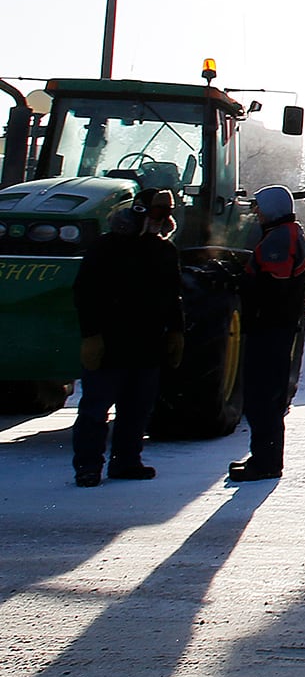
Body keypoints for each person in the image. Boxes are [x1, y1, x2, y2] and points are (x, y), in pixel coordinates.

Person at [71, 202, 185, 486]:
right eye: (156, 218)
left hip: (147, 343)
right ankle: (88, 466)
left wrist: (176, 331)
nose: (160, 225)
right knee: (96, 408)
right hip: (110, 343)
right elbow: (85, 293)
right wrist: (91, 335)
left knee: (136, 409)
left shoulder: (164, 251)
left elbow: (173, 295)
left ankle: (127, 461)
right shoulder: (105, 248)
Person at [230, 185, 305, 483]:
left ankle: (266, 462)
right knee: (265, 397)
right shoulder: (286, 234)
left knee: (262, 397)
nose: (257, 213)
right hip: (275, 327)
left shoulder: (281, 238)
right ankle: (264, 457)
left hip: (271, 329)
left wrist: (245, 284)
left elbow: (275, 285)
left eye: (260, 208)